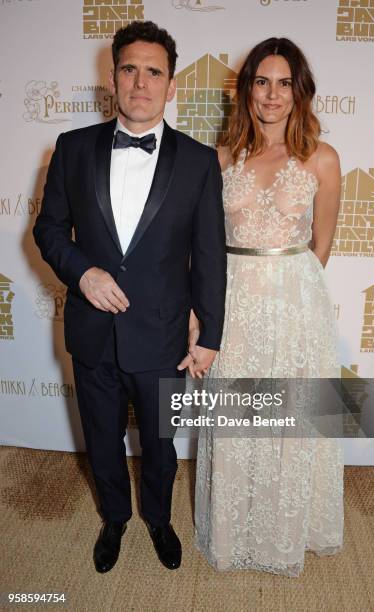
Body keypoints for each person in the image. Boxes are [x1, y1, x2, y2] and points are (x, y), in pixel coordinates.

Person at [33, 21, 226, 573]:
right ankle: (114, 518)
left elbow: (210, 256)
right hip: (92, 331)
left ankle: (159, 520)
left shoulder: (197, 161)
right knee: (101, 438)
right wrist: (83, 273)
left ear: (172, 85)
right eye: (129, 69)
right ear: (112, 77)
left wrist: (209, 335)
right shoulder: (71, 148)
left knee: (161, 447)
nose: (141, 82)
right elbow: (49, 230)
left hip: (165, 336)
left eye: (154, 72)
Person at [192, 37, 344, 575]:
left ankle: (285, 531)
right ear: (247, 89)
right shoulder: (220, 157)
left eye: (284, 83)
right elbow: (205, 246)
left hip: (294, 307)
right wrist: (203, 313)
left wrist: (287, 296)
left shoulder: (322, 158)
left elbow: (320, 245)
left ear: (299, 91)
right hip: (231, 303)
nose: (272, 95)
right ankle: (237, 531)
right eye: (262, 81)